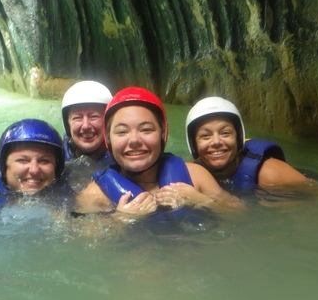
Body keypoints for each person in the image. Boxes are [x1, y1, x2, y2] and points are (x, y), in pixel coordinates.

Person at [74, 87, 243, 222]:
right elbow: (84, 243)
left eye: (146, 129)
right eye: (122, 131)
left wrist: (201, 201)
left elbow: (241, 214)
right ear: (108, 139)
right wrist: (120, 219)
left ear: (163, 135)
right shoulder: (95, 195)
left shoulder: (195, 176)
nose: (134, 140)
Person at [185, 96, 318, 195]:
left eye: (225, 133)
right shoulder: (191, 173)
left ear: (238, 138)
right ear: (194, 144)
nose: (216, 142)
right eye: (205, 136)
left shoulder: (269, 173)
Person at [60, 80, 113, 164]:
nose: (85, 126)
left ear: (108, 121)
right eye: (77, 118)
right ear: (67, 124)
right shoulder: (57, 156)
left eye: (93, 117)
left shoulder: (122, 158)